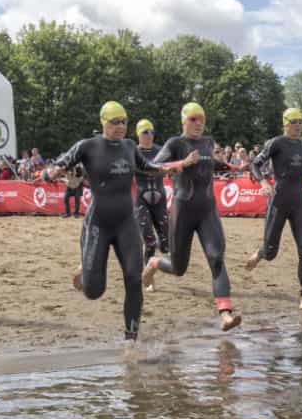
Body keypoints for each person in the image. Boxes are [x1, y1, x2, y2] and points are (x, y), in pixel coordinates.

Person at [51, 102, 193, 341]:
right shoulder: (87, 146)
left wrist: (175, 167)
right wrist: (52, 172)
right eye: (114, 122)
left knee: (134, 279)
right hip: (98, 223)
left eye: (124, 122)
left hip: (126, 222)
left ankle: (131, 340)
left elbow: (147, 167)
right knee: (94, 291)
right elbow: (58, 165)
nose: (120, 127)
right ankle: (84, 271)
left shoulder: (129, 146)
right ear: (103, 122)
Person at [142, 102, 245, 331]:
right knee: (179, 269)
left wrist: (233, 166)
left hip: (208, 209)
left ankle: (226, 313)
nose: (198, 123)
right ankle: (155, 262)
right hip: (183, 211)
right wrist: (182, 163)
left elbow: (213, 162)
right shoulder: (175, 143)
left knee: (216, 258)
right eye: (193, 119)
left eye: (202, 119)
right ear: (183, 120)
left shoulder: (208, 142)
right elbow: (151, 166)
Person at [245, 108, 302, 311]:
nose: (299, 125)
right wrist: (263, 182)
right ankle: (261, 253)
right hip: (278, 201)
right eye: (294, 121)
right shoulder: (276, 143)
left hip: (298, 202)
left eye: (301, 121)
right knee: (271, 253)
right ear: (285, 123)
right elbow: (255, 164)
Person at [133, 118, 170, 261]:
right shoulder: (132, 152)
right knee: (150, 242)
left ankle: (154, 264)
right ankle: (147, 275)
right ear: (138, 134)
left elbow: (173, 167)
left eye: (152, 132)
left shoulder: (161, 150)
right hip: (141, 199)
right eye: (145, 132)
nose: (149, 135)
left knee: (166, 245)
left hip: (160, 198)